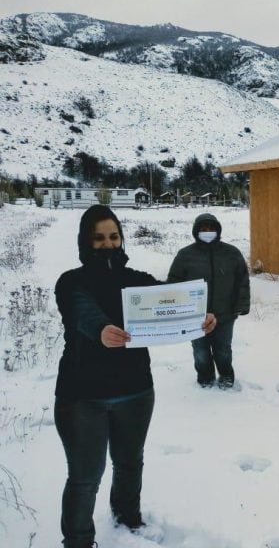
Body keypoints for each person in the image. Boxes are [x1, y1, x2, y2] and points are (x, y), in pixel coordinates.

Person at [54, 205, 216, 548]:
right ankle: (78, 541)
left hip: (135, 391)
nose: (108, 244)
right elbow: (81, 310)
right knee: (85, 478)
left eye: (113, 236)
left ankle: (127, 521)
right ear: (85, 241)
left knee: (129, 464)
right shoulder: (71, 282)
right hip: (83, 397)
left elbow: (171, 303)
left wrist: (199, 316)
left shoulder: (137, 281)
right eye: (98, 238)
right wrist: (101, 329)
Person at [168, 213, 250, 389]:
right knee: (200, 352)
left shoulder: (231, 253)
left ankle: (226, 376)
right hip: (195, 317)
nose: (207, 232)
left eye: (211, 228)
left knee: (223, 351)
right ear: (196, 231)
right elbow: (174, 283)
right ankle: (205, 377)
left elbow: (242, 280)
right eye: (203, 229)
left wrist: (241, 305)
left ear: (218, 230)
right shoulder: (185, 255)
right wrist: (176, 308)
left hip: (225, 315)